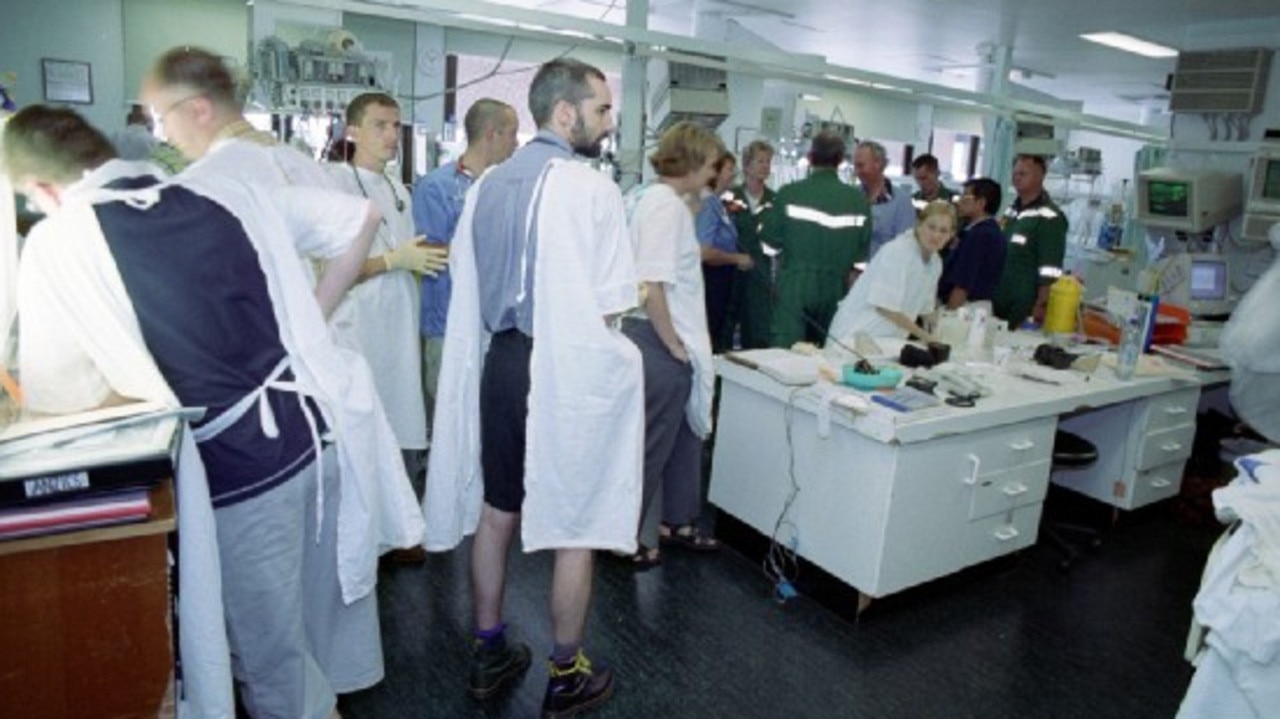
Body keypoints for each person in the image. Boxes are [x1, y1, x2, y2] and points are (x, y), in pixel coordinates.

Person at [3, 104, 406, 719]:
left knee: (276, 674)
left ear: (40, 188)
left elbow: (63, 396)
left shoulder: (63, 236)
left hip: (247, 471)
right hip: (312, 437)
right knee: (293, 647)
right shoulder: (211, 191)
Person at [140, 49, 429, 696]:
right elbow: (352, 240)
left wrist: (295, 327)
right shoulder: (300, 165)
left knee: (275, 609)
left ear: (197, 108)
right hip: (326, 391)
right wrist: (312, 319)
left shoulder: (212, 182)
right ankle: (339, 683)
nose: (165, 136)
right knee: (328, 575)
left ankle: (299, 695)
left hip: (268, 398)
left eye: (164, 120)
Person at [425, 58, 643, 718]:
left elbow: (469, 280)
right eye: (602, 110)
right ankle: (566, 670)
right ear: (565, 114)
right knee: (575, 521)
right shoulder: (592, 190)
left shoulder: (488, 186)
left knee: (498, 509)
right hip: (565, 371)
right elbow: (611, 306)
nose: (610, 124)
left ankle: (489, 647)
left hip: (504, 364)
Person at [325, 92, 436, 554]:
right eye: (379, 125)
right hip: (358, 327)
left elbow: (403, 248)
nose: (392, 135)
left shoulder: (397, 188)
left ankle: (394, 532)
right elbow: (330, 270)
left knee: (395, 425)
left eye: (396, 126)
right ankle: (361, 540)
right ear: (352, 131)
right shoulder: (335, 184)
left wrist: (417, 259)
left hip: (396, 324)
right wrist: (392, 260)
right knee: (363, 432)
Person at [623, 121, 722, 569]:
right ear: (695, 160)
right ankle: (624, 536)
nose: (716, 172)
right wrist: (674, 346)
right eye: (712, 164)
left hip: (662, 331)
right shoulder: (664, 208)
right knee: (650, 444)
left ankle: (674, 520)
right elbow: (653, 284)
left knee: (682, 433)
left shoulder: (655, 198)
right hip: (659, 334)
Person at [412, 98, 519, 439]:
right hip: (447, 327)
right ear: (492, 134)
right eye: (512, 134)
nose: (516, 144)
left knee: (488, 428)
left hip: (494, 330)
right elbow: (428, 252)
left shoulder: (506, 188)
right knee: (452, 428)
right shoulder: (437, 188)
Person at [766, 131, 872, 347]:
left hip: (795, 287)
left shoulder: (789, 193)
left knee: (786, 357)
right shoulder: (858, 201)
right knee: (827, 361)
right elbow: (861, 258)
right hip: (836, 289)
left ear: (811, 157)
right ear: (841, 160)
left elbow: (769, 243)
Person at [828, 200, 952, 346]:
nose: (936, 235)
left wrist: (947, 327)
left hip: (889, 342)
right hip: (854, 337)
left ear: (951, 235)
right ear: (919, 225)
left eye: (943, 231)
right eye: (931, 227)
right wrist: (924, 336)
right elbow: (885, 307)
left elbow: (926, 310)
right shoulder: (899, 251)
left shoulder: (935, 263)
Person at [992, 154, 1068, 327]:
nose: (1017, 177)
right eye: (1015, 173)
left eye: (1023, 174)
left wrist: (1041, 305)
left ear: (1040, 176)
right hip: (998, 294)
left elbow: (1050, 269)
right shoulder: (1012, 210)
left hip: (1023, 302)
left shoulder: (1050, 217)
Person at [695, 149, 753, 352]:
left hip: (722, 280)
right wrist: (736, 258)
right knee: (711, 335)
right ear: (715, 172)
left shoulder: (718, 204)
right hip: (711, 280)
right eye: (729, 169)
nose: (733, 174)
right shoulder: (708, 204)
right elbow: (704, 251)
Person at [726, 139, 777, 349]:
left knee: (756, 332)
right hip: (730, 272)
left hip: (760, 275)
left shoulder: (776, 201)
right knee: (724, 327)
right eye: (760, 161)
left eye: (768, 161)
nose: (765, 166)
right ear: (746, 165)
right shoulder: (729, 197)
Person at [938, 177, 1006, 309]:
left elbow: (962, 284)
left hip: (965, 308)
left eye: (965, 197)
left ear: (981, 203)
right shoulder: (990, 232)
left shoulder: (979, 236)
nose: (959, 202)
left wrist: (949, 315)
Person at [854, 140, 915, 258]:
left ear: (878, 164)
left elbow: (905, 248)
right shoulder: (853, 196)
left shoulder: (901, 202)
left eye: (861, 166)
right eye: (855, 166)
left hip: (883, 272)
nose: (856, 172)